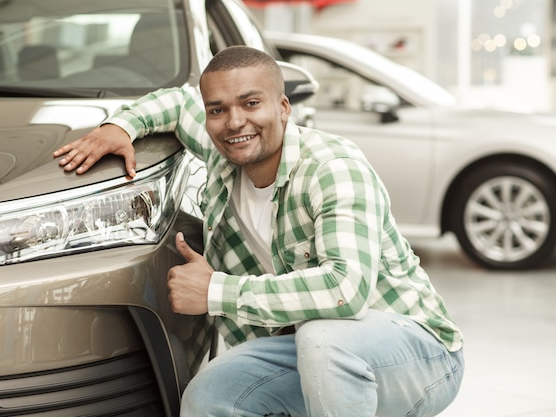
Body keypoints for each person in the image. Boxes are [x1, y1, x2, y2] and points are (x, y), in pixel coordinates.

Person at [53, 45, 464, 417]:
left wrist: (216, 292)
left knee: (325, 340)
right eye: (217, 110)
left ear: (284, 107)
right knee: (210, 395)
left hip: (419, 354)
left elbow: (347, 290)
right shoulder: (225, 155)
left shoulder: (333, 168)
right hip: (310, 350)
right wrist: (119, 128)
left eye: (251, 103)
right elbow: (178, 102)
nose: (234, 122)